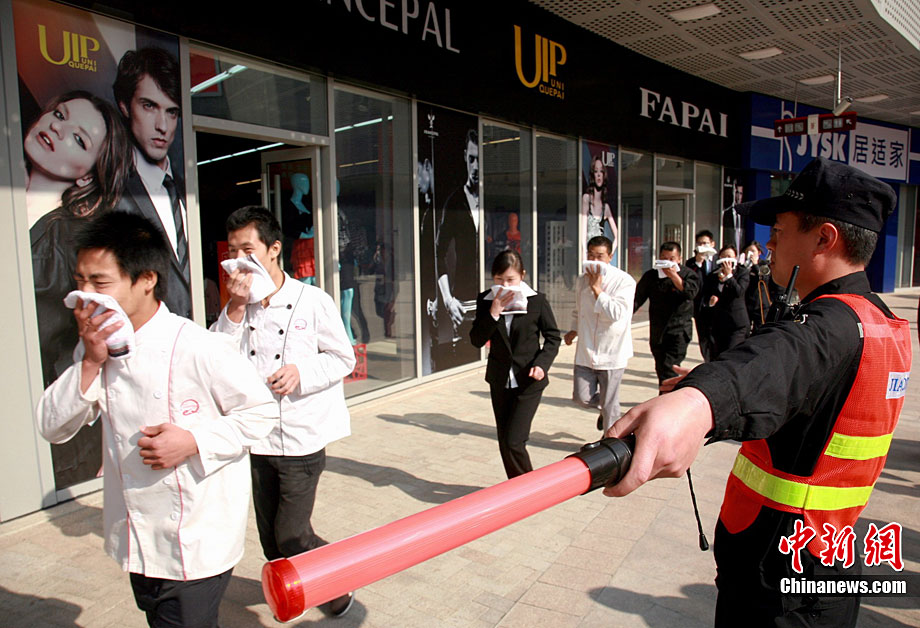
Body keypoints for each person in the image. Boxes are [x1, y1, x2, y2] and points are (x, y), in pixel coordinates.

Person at [604, 157, 909, 627]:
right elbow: (797, 385)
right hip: (828, 563)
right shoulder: (880, 322)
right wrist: (706, 383)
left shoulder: (827, 327)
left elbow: (782, 356)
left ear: (824, 238)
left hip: (781, 583)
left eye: (780, 231)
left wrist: (696, 403)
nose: (769, 243)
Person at [36, 211, 278, 627]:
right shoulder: (98, 348)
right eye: (80, 282)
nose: (86, 295)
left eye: (100, 283)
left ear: (146, 279)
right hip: (138, 539)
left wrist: (193, 441)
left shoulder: (199, 347)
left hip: (196, 539)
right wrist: (90, 363)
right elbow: (52, 426)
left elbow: (261, 412)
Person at [212, 206, 356, 617]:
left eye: (248, 250)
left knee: (292, 535)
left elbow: (342, 357)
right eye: (232, 251)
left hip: (300, 437)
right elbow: (214, 359)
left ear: (274, 249)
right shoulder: (239, 308)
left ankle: (339, 582)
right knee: (271, 542)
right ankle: (293, 596)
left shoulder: (313, 301)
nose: (238, 260)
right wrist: (234, 306)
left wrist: (300, 372)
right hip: (256, 439)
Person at [28, 91, 132, 488]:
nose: (57, 128)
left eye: (78, 138)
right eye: (58, 114)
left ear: (87, 175)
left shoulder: (75, 243)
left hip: (59, 415)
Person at [113, 47, 191, 319]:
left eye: (172, 112)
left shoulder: (185, 188)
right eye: (149, 106)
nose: (162, 126)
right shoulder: (112, 192)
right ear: (124, 106)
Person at [470, 250, 560, 479]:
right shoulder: (485, 300)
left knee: (514, 441)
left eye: (511, 279)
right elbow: (476, 340)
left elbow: (553, 337)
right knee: (504, 441)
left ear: (522, 275)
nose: (505, 285)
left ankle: (530, 489)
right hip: (499, 379)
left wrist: (542, 365)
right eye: (499, 279)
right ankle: (516, 488)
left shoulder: (537, 300)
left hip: (529, 380)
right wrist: (493, 313)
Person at [564, 236, 634, 432]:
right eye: (591, 255)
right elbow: (578, 309)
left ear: (610, 256)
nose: (595, 261)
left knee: (610, 403)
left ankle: (611, 440)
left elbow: (617, 314)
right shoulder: (581, 280)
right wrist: (573, 329)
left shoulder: (624, 281)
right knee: (581, 397)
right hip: (586, 350)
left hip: (612, 351)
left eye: (600, 256)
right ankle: (608, 410)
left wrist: (597, 290)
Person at [435, 128, 480, 369]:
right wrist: (447, 299)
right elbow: (438, 252)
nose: (476, 167)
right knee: (466, 358)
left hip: (493, 295)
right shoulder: (454, 203)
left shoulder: (492, 203)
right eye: (472, 159)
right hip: (465, 298)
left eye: (480, 160)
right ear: (465, 157)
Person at [633, 241, 700, 383]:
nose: (667, 262)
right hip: (658, 330)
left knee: (670, 367)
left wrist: (674, 276)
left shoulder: (688, 274)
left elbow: (690, 293)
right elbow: (637, 299)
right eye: (664, 258)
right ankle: (666, 392)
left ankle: (667, 394)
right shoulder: (651, 276)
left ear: (679, 259)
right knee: (661, 367)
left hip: (679, 330)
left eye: (671, 259)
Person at [699, 244, 750, 360]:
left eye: (729, 256)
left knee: (732, 355)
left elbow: (739, 292)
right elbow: (705, 296)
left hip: (737, 323)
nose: (726, 260)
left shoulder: (742, 272)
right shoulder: (713, 275)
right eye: (724, 256)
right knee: (718, 356)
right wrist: (710, 301)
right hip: (719, 323)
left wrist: (729, 276)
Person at [685, 230, 717, 361]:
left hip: (717, 305)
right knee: (703, 337)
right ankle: (708, 360)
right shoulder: (691, 263)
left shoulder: (719, 261)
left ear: (712, 244)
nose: (702, 246)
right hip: (700, 306)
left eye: (705, 243)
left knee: (716, 336)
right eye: (699, 243)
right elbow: (693, 282)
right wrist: (698, 263)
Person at [582, 155, 618, 249]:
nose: (598, 174)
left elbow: (618, 236)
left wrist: (609, 253)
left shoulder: (605, 208)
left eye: (601, 171)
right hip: (588, 252)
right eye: (596, 171)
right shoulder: (586, 199)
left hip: (599, 252)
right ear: (592, 174)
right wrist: (584, 253)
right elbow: (583, 233)